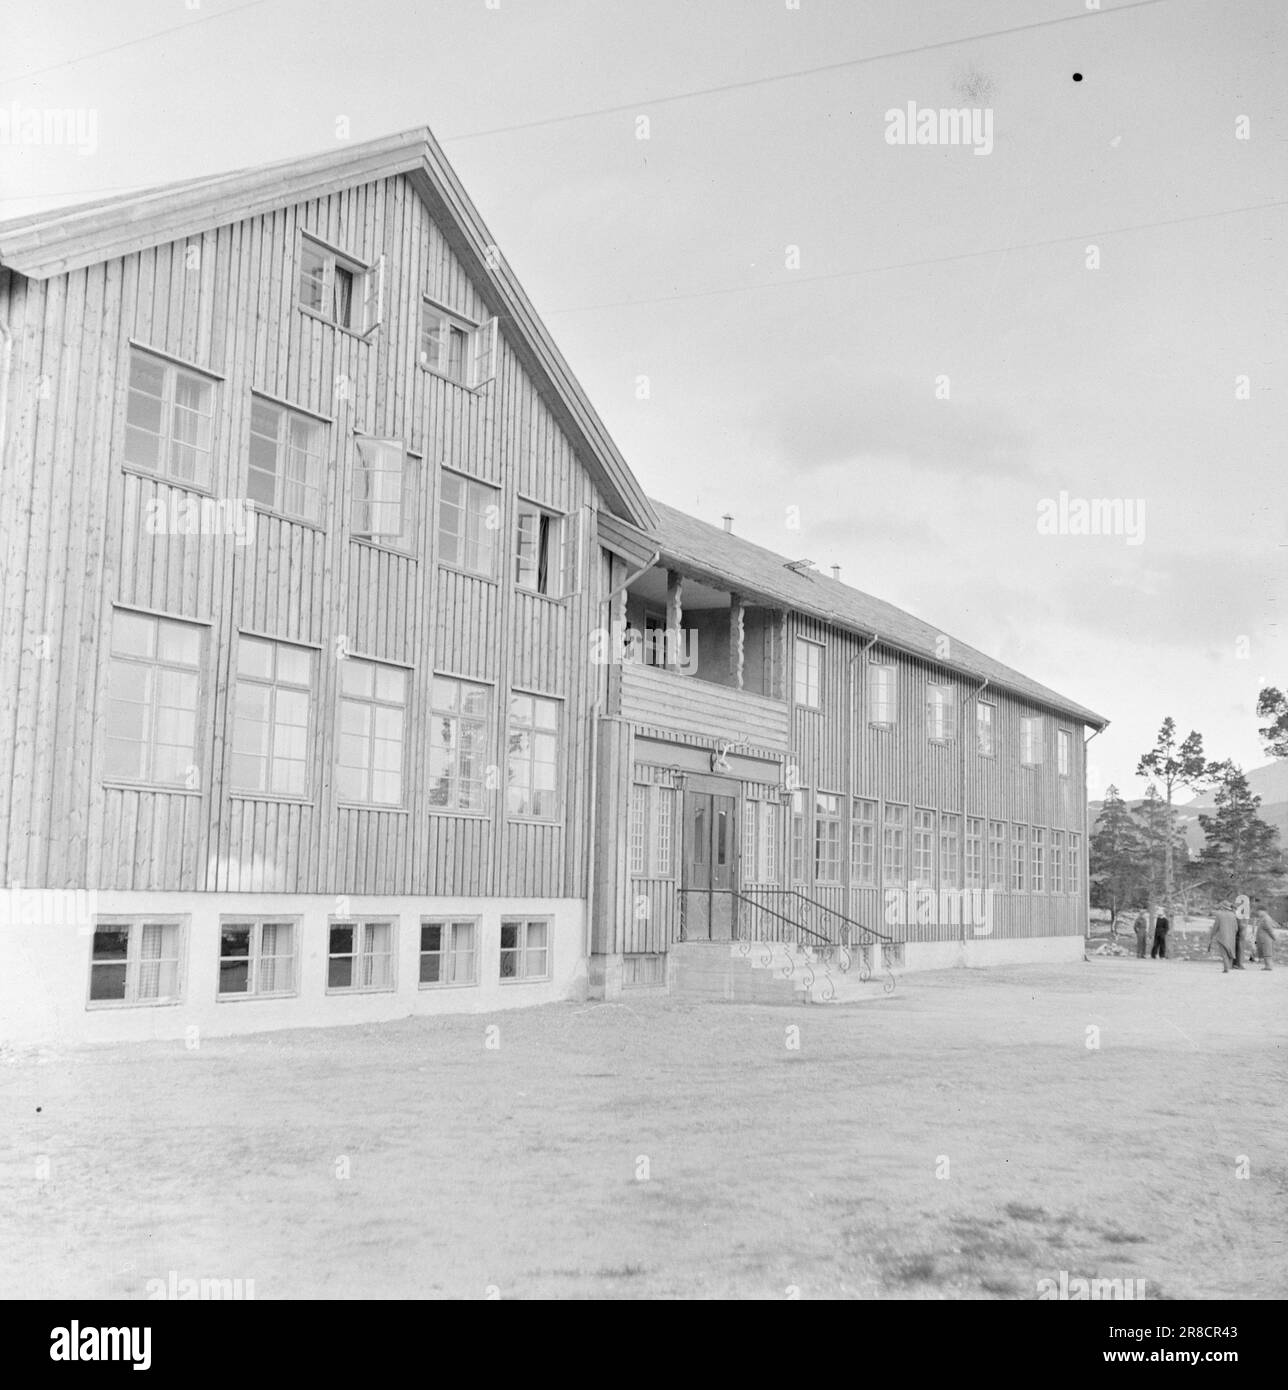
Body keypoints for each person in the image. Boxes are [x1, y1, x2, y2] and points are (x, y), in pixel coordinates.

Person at [1208, 903, 1240, 973]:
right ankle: (1229, 966)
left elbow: (1216, 926)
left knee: (1224, 953)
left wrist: (1212, 935)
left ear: (1223, 907)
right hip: (1231, 937)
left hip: (1222, 936)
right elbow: (1236, 928)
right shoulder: (1233, 915)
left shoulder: (1220, 915)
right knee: (1230, 952)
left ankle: (1226, 968)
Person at [1252, 903, 1280, 972]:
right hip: (1263, 939)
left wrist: (1274, 937)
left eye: (1259, 911)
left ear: (1263, 911)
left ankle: (1269, 966)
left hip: (1266, 939)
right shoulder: (1263, 918)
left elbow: (1269, 929)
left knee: (1267, 952)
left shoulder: (1266, 918)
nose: (1258, 913)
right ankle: (1267, 966)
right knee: (1265, 952)